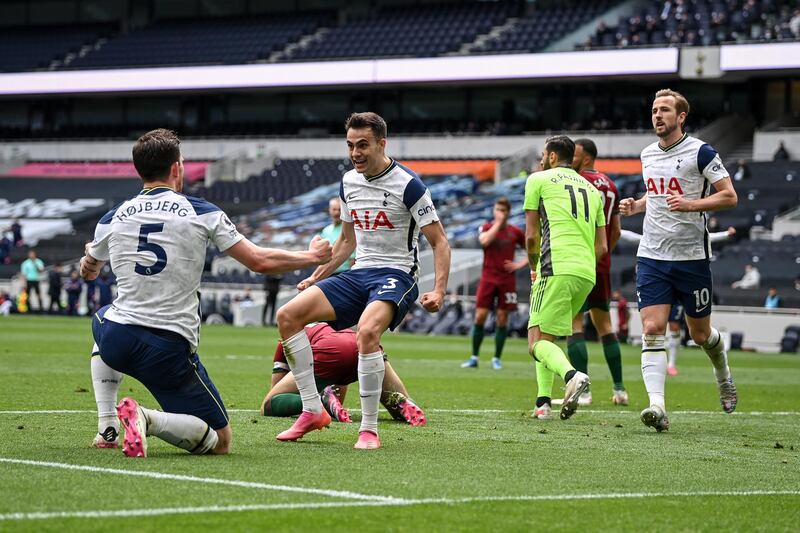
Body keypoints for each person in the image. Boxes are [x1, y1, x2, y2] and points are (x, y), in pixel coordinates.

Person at [81, 128, 332, 456]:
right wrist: (311, 257)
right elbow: (258, 260)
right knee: (221, 440)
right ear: (175, 169)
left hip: (116, 337)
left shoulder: (112, 217)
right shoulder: (200, 211)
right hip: (165, 347)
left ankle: (107, 425)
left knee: (103, 319)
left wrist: (90, 261)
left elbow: (90, 269)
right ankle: (146, 418)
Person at [275, 112, 451, 450]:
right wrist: (316, 277)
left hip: (397, 274)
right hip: (359, 273)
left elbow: (439, 241)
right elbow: (346, 242)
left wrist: (439, 289)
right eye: (351, 146)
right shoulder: (347, 182)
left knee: (367, 332)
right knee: (288, 316)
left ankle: (368, 429)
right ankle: (312, 410)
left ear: (382, 144)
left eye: (363, 146)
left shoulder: (409, 184)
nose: (355, 153)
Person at [619, 88, 738, 432]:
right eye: (654, 110)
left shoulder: (701, 152)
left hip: (692, 258)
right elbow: (656, 197)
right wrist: (636, 206)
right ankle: (657, 406)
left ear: (681, 117)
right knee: (652, 329)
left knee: (699, 335)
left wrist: (691, 205)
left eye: (665, 110)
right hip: (653, 255)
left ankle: (724, 375)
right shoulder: (646, 154)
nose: (657, 115)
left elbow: (729, 196)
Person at [525, 135, 607, 421]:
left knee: (535, 342)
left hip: (554, 266)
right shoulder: (593, 190)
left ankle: (572, 376)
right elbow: (603, 247)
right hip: (586, 273)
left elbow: (532, 235)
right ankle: (542, 403)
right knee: (546, 335)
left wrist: (534, 266)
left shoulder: (539, 180)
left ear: (549, 156)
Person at [619, 226, 736, 376]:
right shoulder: (653, 241)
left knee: (684, 329)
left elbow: (706, 237)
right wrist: (613, 228)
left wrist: (726, 235)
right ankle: (657, 392)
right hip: (658, 283)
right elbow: (632, 236)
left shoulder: (683, 239)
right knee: (652, 327)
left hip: (681, 281)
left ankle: (672, 363)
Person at [262, 322, 425, 426]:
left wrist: (312, 397)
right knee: (395, 398)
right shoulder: (335, 324)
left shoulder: (288, 338)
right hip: (364, 344)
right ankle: (400, 402)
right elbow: (339, 394)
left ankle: (319, 400)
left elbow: (274, 390)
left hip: (331, 351)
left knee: (268, 405)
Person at [567, 138, 626, 407]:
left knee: (574, 323)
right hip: (600, 264)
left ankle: (585, 392)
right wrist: (603, 255)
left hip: (576, 262)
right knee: (605, 326)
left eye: (575, 154)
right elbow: (616, 231)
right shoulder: (611, 185)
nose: (571, 158)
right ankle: (620, 389)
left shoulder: (576, 182)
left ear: (587, 157)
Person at [460, 197, 526, 371]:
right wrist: (498, 223)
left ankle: (496, 358)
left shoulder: (515, 232)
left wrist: (520, 264)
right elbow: (484, 241)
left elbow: (533, 248)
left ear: (509, 212)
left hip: (507, 280)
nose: (500, 213)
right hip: (488, 278)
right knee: (480, 316)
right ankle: (474, 357)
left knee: (502, 318)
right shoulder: (488, 227)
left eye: (503, 211)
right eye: (497, 210)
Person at [319, 197, 355, 274]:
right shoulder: (325, 231)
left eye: (339, 210)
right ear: (329, 210)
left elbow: (353, 257)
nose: (337, 213)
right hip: (329, 272)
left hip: (345, 272)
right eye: (334, 209)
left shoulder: (348, 228)